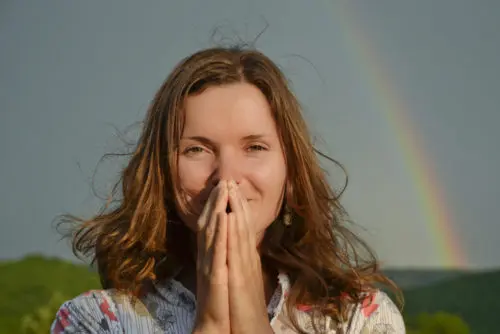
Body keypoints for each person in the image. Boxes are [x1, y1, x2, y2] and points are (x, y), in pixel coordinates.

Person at [51, 46, 406, 333]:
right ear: (161, 172)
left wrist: (252, 322)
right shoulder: (98, 321)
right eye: (197, 149)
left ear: (291, 171)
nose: (227, 176)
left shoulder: (360, 319)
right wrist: (212, 324)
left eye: (255, 147)